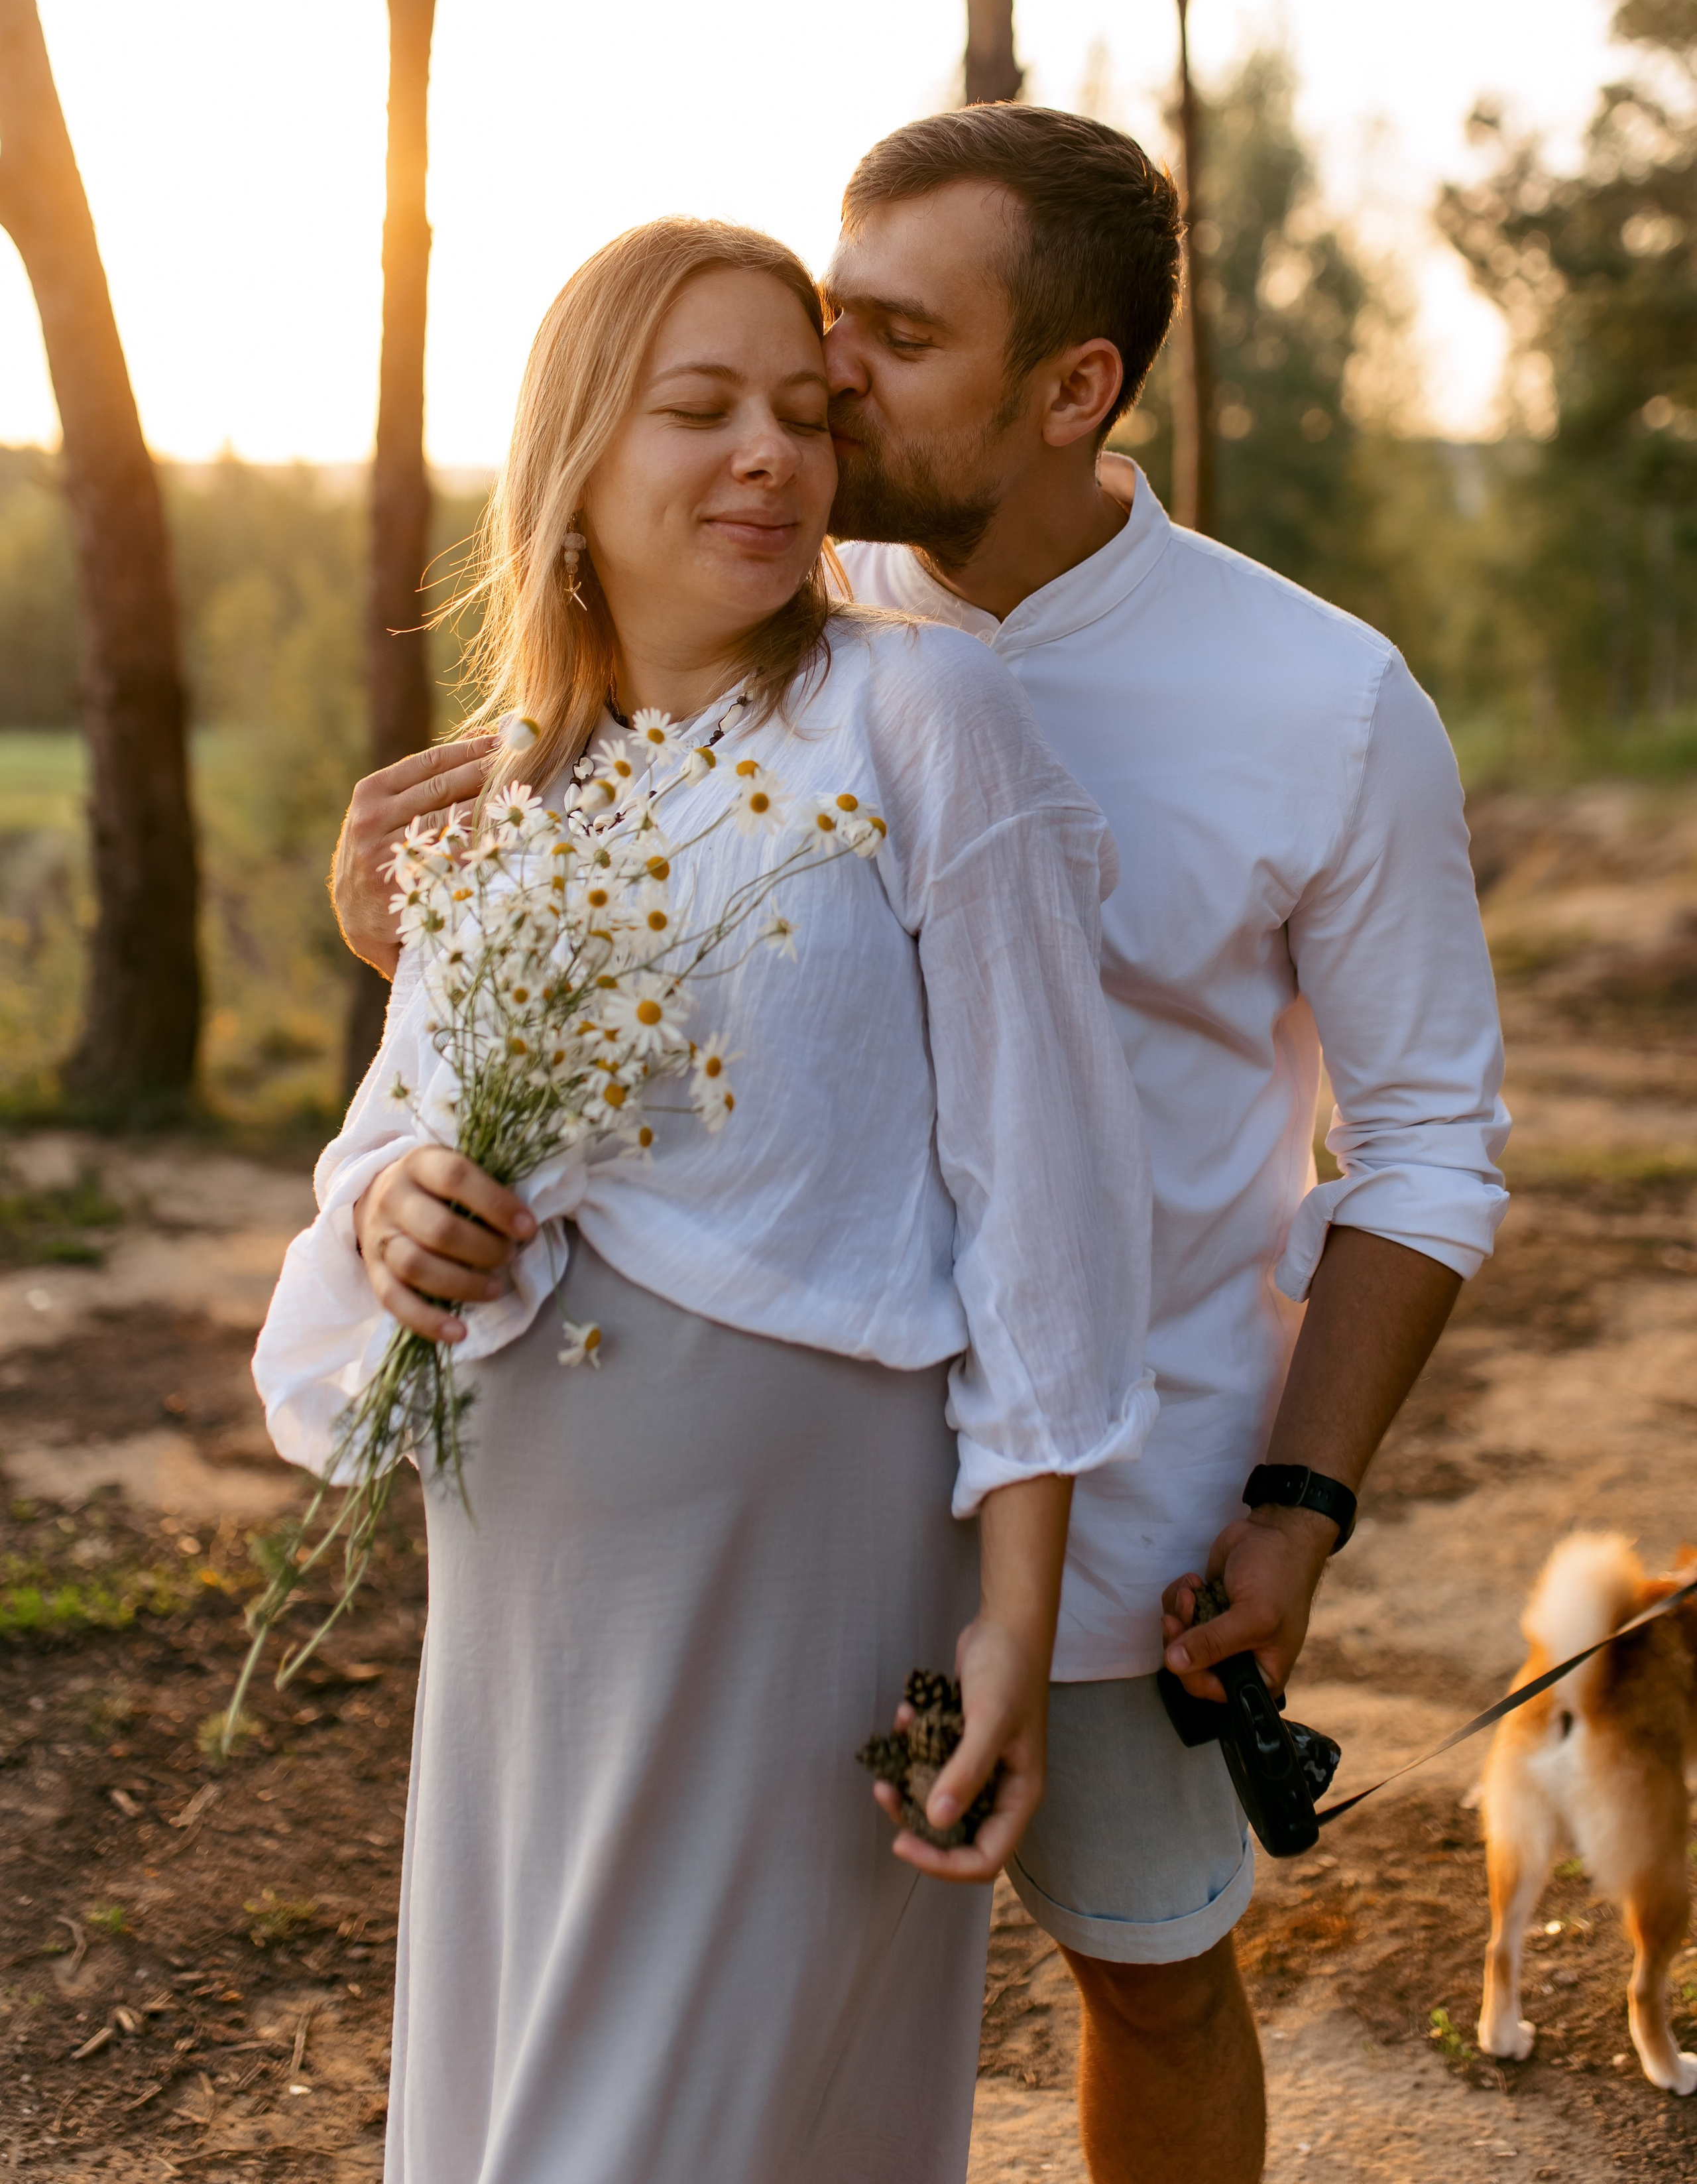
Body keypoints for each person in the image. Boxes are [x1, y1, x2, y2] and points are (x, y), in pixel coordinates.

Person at [331, 111, 1509, 2184]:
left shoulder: (1323, 702)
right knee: (753, 2019)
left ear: (1074, 388)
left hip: (1131, 1485)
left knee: (1145, 1970)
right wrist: (414, 933)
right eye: (818, 324)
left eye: (887, 337)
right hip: (775, 1519)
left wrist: (1300, 1502)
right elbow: (555, 948)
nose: (824, 382)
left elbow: (1420, 1143)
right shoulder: (764, 597)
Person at [256, 216, 1157, 2184]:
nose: (770, 453)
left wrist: (1018, 1616)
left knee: (683, 2130)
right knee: (539, 2100)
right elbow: (378, 1169)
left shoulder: (919, 715)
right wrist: (403, 1210)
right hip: (535, 1589)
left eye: (802, 414)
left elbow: (1049, 1195)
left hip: (809, 1573)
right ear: (577, 456)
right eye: (701, 409)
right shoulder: (503, 804)